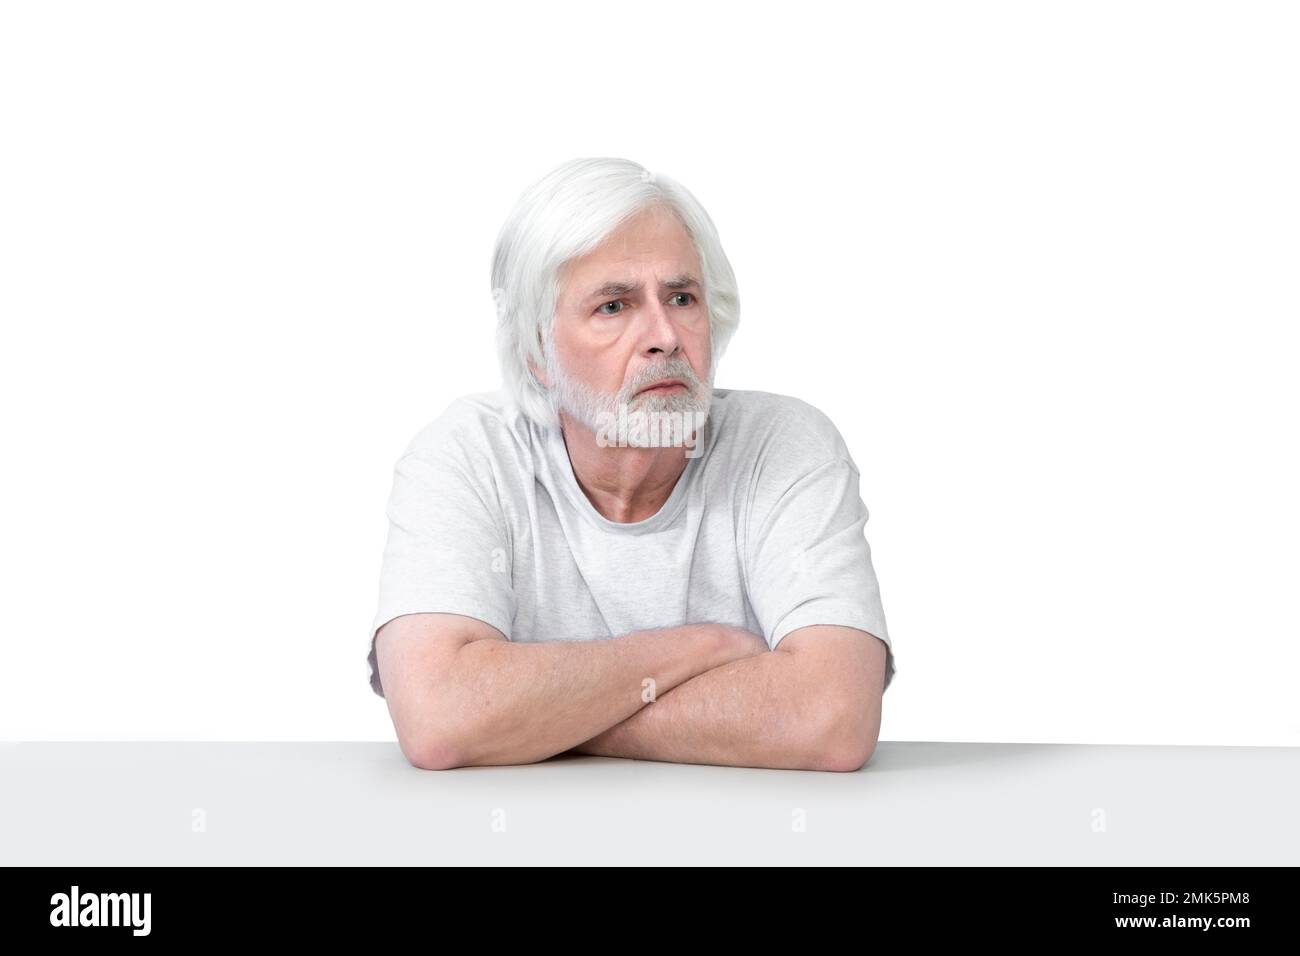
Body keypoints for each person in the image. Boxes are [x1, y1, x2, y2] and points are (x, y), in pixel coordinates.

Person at [366, 157, 895, 772]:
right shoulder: (465, 455)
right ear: (536, 352)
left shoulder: (786, 447)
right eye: (614, 306)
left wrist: (538, 719)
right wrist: (708, 647)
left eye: (681, 297)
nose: (666, 335)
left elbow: (832, 721)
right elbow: (442, 719)